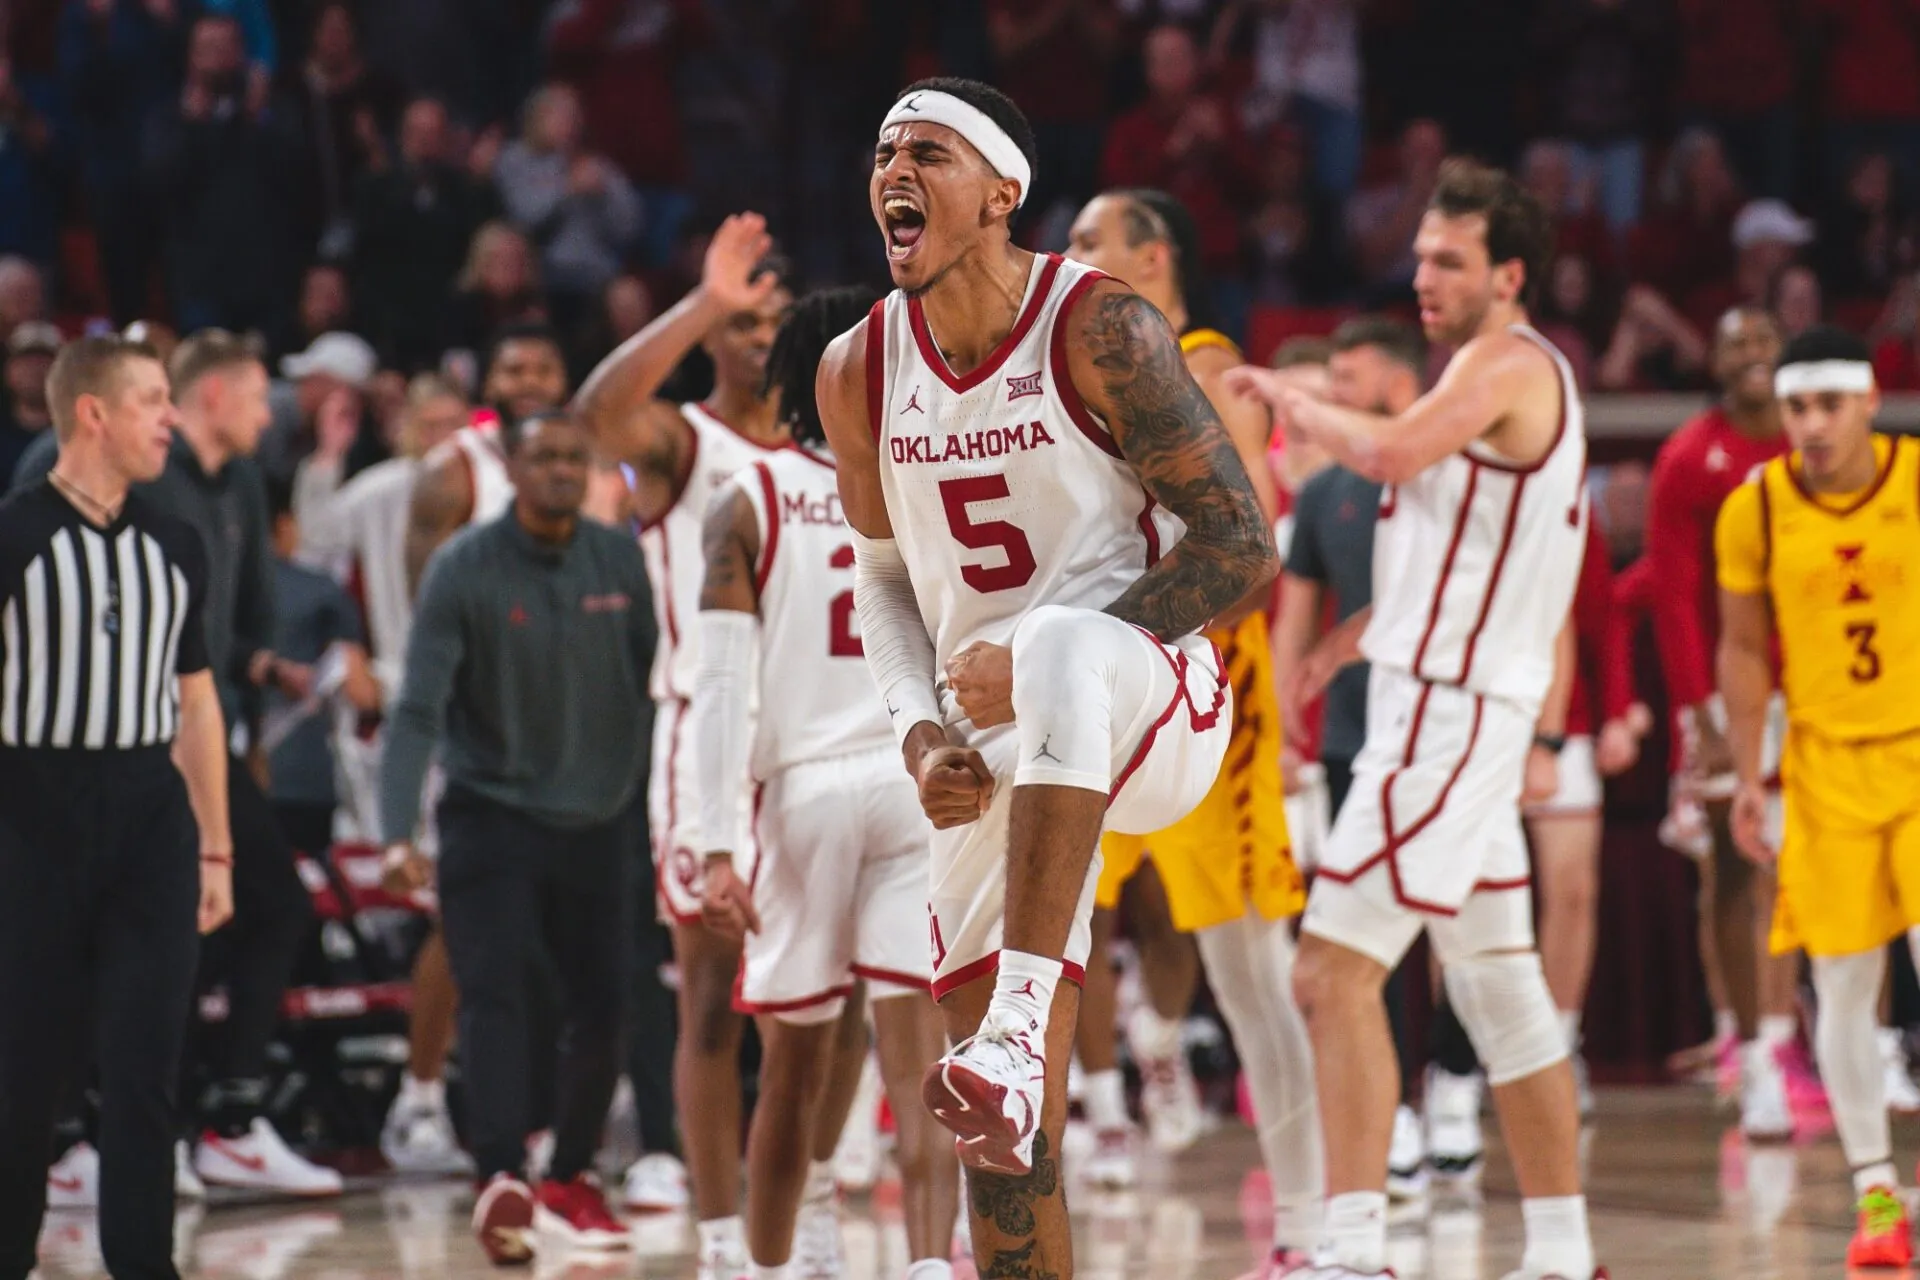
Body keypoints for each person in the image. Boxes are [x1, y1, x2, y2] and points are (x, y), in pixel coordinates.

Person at [818, 77, 1278, 1276]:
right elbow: (880, 578)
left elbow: (1241, 544)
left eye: (927, 152)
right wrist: (919, 733)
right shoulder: (856, 367)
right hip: (993, 739)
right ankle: (1012, 1059)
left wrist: (1028, 664)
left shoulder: (1100, 325)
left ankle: (1020, 1029)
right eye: (883, 151)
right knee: (1001, 1143)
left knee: (1060, 638)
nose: (894, 171)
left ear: (1000, 193)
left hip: (1155, 693)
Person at [1228, 157, 1598, 1280]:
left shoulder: (1507, 362)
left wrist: (1291, 398)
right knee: (1502, 990)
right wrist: (1361, 631)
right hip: (1448, 700)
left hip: (1448, 717)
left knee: (1330, 973)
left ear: (1511, 274)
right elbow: (1469, 546)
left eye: (1451, 260)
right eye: (1421, 257)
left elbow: (1387, 453)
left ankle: (1352, 1250)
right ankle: (1563, 1252)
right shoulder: (1483, 376)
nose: (1425, 276)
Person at [15, 329, 340, 1197]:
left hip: (197, 738)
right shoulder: (79, 475)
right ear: (213, 395)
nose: (269, 415)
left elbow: (225, 636)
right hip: (86, 751)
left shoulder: (239, 484)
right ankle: (70, 1138)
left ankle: (222, 1117)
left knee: (261, 910)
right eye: (257, 395)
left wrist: (258, 683)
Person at [1062, 187, 1321, 1270]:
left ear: (1155, 256)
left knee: (1250, 973)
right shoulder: (1079, 374)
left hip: (1204, 681)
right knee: (1055, 931)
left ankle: (1311, 1230)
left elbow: (1249, 561)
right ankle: (1096, 1113)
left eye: (1091, 240)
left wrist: (1134, 635)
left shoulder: (1209, 368)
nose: (1069, 255)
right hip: (1104, 684)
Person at [696, 285, 961, 1280]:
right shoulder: (925, 484)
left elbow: (719, 686)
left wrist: (713, 841)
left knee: (791, 1071)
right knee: (920, 1061)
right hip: (915, 776)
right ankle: (928, 1264)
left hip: (804, 791)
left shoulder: (746, 495)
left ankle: (767, 1269)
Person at [380, 409, 654, 1265]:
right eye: (545, 458)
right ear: (512, 469)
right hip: (488, 813)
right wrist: (397, 830)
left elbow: (658, 682)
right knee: (492, 992)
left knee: (606, 1002)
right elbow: (417, 707)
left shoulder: (621, 559)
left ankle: (569, 1174)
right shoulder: (463, 565)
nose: (563, 471)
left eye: (576, 457)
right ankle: (500, 1173)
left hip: (600, 817)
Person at [574, 213, 795, 1262]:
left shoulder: (828, 449)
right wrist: (705, 298)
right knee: (713, 1002)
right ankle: (718, 1237)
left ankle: (804, 1221)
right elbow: (595, 415)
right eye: (744, 323)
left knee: (813, 1005)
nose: (761, 337)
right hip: (706, 732)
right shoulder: (680, 441)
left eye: (773, 320)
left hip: (815, 735)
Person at [0, 334, 233, 1280]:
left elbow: (197, 702)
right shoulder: (12, 536)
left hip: (149, 818)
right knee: (23, 1073)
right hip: (29, 815)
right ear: (92, 413)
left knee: (145, 1070)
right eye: (152, 401)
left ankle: (144, 1266)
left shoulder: (176, 543)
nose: (170, 418)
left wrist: (216, 848)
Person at [1714, 326, 1920, 1269]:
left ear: (1869, 401)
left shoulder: (1913, 477)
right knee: (1840, 984)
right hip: (1823, 765)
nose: (1812, 425)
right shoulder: (1755, 507)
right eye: (1797, 407)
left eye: (1830, 404)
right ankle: (1877, 1195)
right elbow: (1742, 647)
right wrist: (1746, 771)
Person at [1271, 316, 1429, 1201]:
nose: (1329, 396)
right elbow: (1295, 618)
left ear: (1398, 385)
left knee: (1459, 935)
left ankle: (1455, 1086)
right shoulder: (1326, 490)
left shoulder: (1446, 472)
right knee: (1362, 937)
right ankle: (1396, 1114)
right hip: (1351, 739)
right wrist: (1290, 720)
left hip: (1447, 733)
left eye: (1346, 380)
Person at [1644, 307, 1800, 1138]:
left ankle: (1836, 1040)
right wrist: (1699, 707)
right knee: (1736, 872)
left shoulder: (1819, 448)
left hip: (1814, 686)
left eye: (1763, 340)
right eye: (1735, 341)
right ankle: (1754, 1051)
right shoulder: (1686, 457)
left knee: (1824, 865)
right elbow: (1671, 595)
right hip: (1725, 692)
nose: (1751, 354)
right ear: (1712, 359)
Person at [261, 476, 381, 856]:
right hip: (305, 777)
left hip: (220, 773)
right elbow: (359, 691)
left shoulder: (211, 588)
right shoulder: (321, 592)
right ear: (284, 525)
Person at [405, 323, 570, 591]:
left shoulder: (591, 461)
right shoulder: (450, 467)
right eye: (514, 371)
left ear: (565, 382)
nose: (530, 382)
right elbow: (428, 595)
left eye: (544, 371)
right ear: (488, 385)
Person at [0, 319, 56, 485]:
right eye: (26, 362)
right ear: (8, 371)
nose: (35, 370)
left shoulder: (77, 436)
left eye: (44, 361)